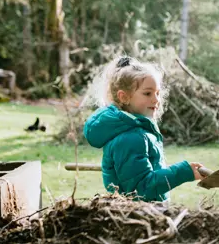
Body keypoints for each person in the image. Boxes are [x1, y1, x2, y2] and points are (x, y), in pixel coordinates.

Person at [83, 56, 205, 203]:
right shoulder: (129, 138)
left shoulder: (138, 131)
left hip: (144, 215)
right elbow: (142, 189)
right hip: (136, 217)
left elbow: (145, 174)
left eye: (157, 93)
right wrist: (182, 173)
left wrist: (181, 171)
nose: (156, 100)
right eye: (148, 93)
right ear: (124, 97)